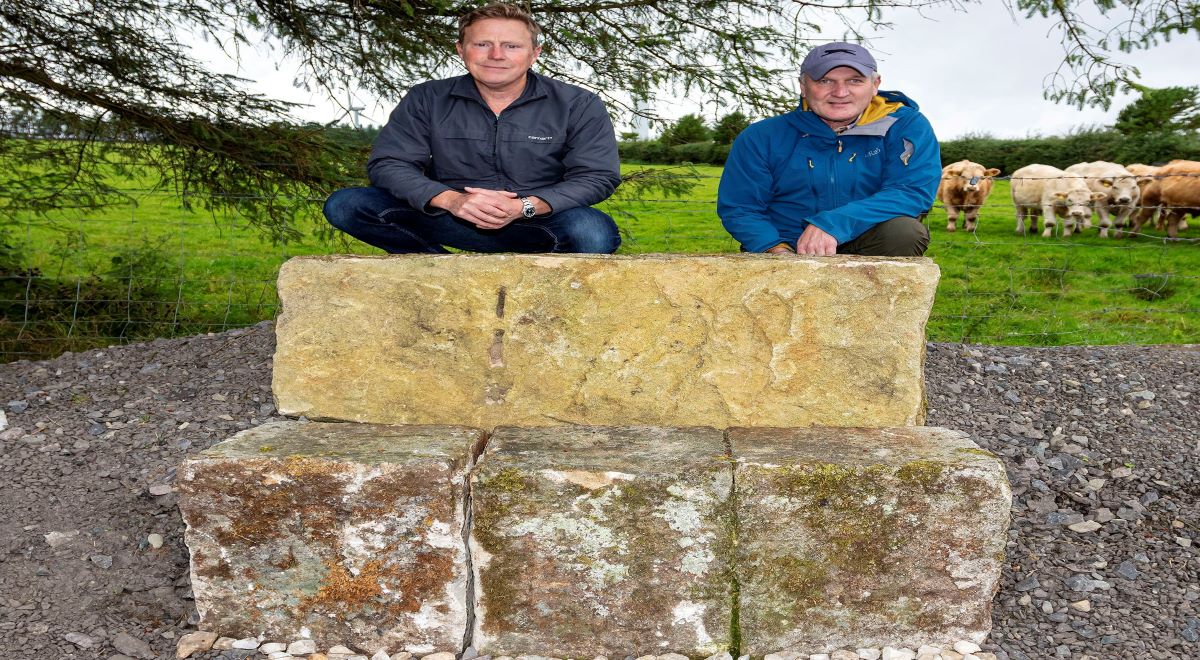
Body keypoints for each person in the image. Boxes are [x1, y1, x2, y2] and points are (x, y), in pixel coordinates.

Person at [324, 3, 622, 254]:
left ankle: (539, 294)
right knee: (346, 205)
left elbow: (597, 175)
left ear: (534, 53)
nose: (496, 55)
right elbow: (390, 163)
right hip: (448, 215)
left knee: (593, 233)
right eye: (482, 44)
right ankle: (444, 273)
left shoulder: (578, 104)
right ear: (461, 50)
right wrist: (453, 201)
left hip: (539, 219)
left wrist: (525, 207)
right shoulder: (426, 98)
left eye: (511, 46)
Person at [717, 42, 939, 257]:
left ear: (875, 85)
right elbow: (740, 207)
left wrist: (833, 224)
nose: (840, 92)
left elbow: (910, 191)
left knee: (904, 232)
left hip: (867, 238)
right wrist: (776, 251)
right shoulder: (762, 136)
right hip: (787, 246)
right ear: (803, 86)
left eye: (854, 80)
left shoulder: (905, 126)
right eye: (825, 81)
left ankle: (882, 293)